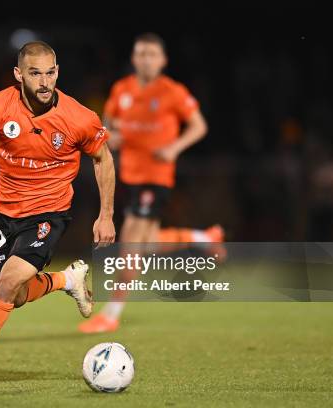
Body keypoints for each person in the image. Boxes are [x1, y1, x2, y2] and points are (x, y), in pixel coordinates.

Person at [0, 41, 116, 388]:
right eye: (35, 74)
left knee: (5, 287)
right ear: (19, 75)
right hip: (7, 214)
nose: (44, 82)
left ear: (58, 72)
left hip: (50, 212)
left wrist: (106, 214)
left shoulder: (79, 117)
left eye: (50, 73)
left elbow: (103, 158)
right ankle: (67, 281)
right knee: (14, 296)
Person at [79, 33, 208, 333]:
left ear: (162, 60)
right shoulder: (121, 89)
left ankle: (111, 314)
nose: (146, 59)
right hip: (129, 176)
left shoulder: (172, 91)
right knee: (147, 245)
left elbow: (199, 125)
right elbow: (106, 126)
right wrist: (113, 136)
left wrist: (174, 148)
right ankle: (202, 237)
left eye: (152, 54)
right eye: (141, 54)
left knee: (130, 244)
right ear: (134, 58)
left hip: (156, 177)